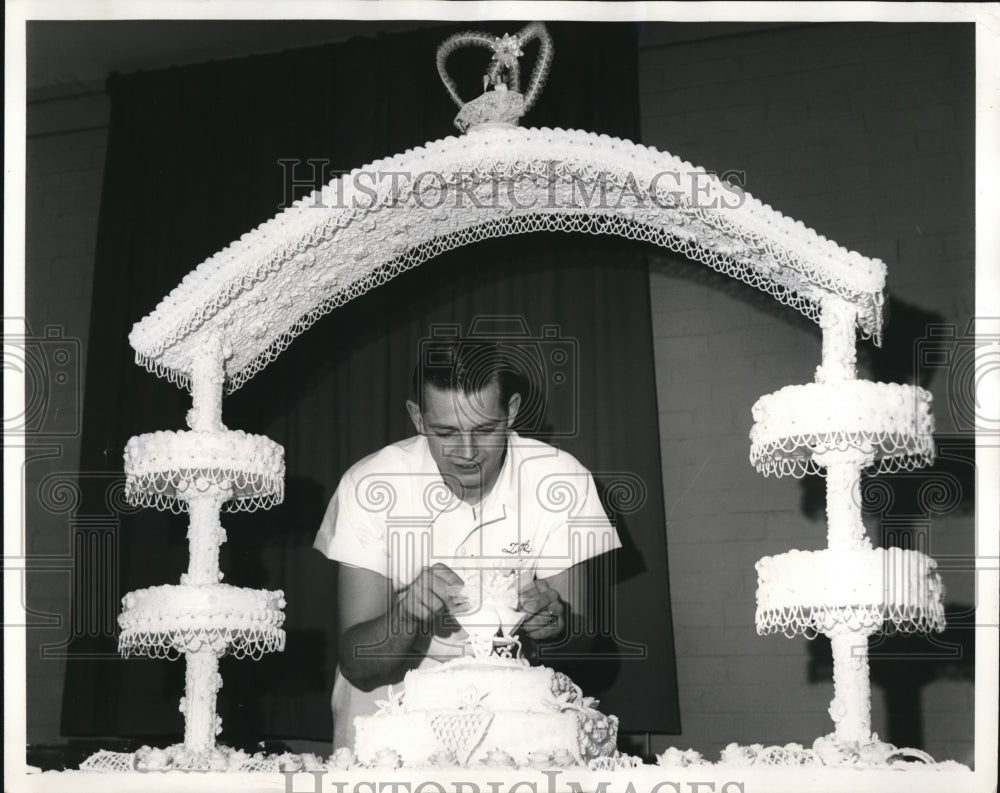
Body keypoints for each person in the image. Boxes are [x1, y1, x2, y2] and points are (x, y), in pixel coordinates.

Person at [313, 339, 621, 750]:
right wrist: (408, 613)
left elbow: (583, 651)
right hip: (387, 705)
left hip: (507, 704)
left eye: (485, 430)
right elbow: (358, 666)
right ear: (417, 418)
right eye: (446, 433)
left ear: (511, 411)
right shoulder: (370, 484)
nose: (468, 453)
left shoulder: (560, 479)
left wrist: (556, 626)